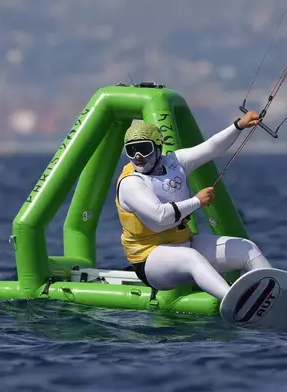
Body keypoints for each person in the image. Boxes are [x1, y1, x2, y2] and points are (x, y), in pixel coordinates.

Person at [115, 110, 273, 301]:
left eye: (143, 148)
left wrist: (238, 125)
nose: (138, 156)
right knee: (191, 258)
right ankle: (234, 302)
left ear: (158, 147)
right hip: (149, 260)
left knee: (246, 248)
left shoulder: (175, 162)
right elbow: (160, 216)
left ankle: (275, 293)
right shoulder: (131, 183)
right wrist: (197, 201)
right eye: (131, 150)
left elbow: (211, 148)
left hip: (184, 243)